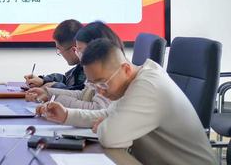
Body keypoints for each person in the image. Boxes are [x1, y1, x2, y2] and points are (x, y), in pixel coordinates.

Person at [43, 38, 216, 165]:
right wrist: (66, 115)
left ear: (125, 69)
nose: (100, 91)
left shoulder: (148, 85)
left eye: (102, 83)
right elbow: (107, 114)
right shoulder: (135, 79)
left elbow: (111, 137)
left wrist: (106, 125)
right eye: (94, 85)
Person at [28, 21, 122, 110]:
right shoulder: (94, 68)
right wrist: (48, 93)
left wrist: (54, 99)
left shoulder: (108, 73)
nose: (77, 53)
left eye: (79, 49)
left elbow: (97, 108)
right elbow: (83, 95)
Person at [24, 19, 85, 90]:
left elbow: (78, 92)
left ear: (74, 50)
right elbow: (67, 80)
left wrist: (54, 86)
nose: (59, 53)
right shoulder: (81, 67)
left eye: (59, 49)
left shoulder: (91, 71)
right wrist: (43, 80)